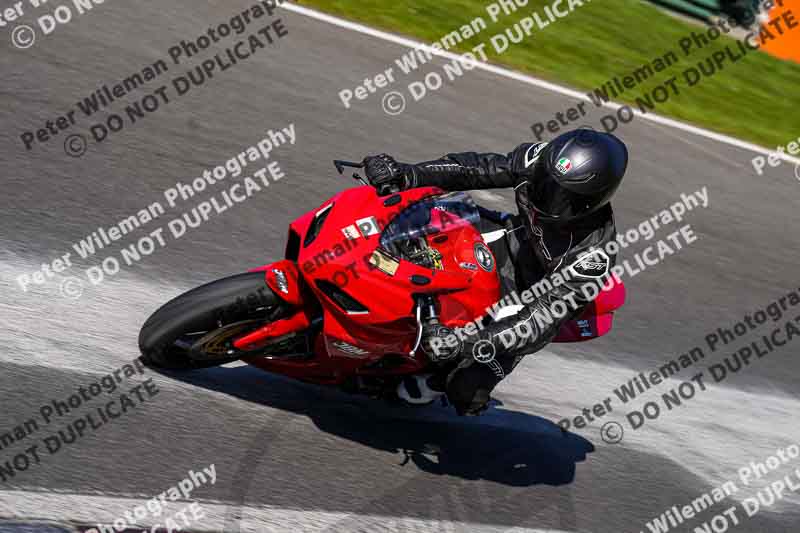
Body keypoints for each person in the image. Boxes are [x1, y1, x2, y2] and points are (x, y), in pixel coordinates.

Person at [362, 128, 628, 415]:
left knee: (466, 390)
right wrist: (408, 174)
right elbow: (476, 169)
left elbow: (536, 323)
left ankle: (431, 382)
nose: (543, 192)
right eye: (545, 181)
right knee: (419, 224)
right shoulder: (542, 159)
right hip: (508, 239)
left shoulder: (592, 258)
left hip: (533, 296)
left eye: (560, 195)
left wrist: (462, 343)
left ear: (590, 203)